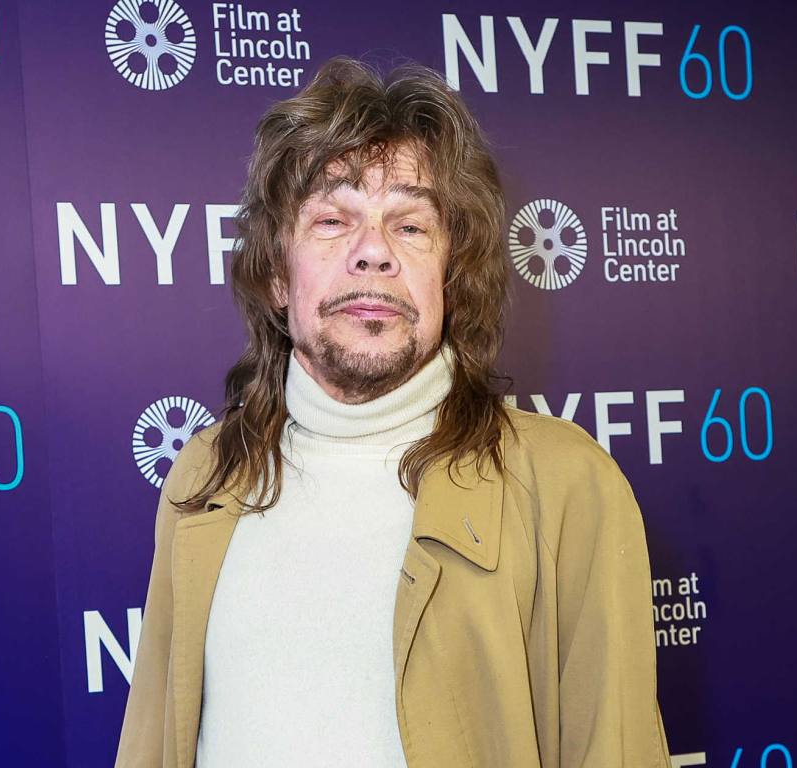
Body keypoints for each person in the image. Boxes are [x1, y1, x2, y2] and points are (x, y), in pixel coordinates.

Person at [114, 57, 672, 768]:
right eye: (332, 219)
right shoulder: (205, 474)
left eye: (410, 225)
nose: (372, 251)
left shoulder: (567, 486)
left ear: (452, 272)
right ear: (279, 274)